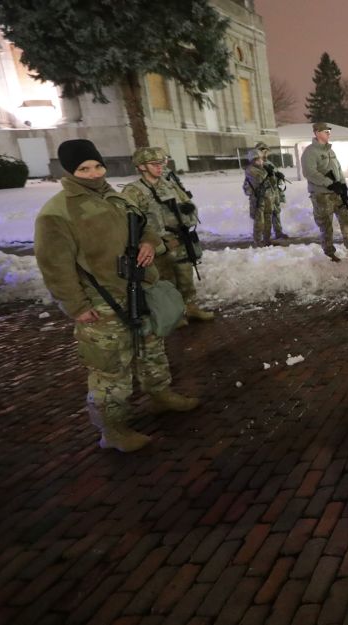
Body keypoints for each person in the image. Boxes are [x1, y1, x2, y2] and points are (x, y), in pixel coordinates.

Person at [34, 139, 199, 452]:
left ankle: (160, 394)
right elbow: (54, 266)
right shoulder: (58, 212)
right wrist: (76, 306)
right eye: (84, 168)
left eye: (97, 165)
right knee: (110, 368)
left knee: (152, 347)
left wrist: (150, 244)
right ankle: (112, 429)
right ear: (70, 170)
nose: (94, 173)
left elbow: (145, 228)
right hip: (101, 303)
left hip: (138, 290)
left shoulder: (116, 198)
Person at [121, 147, 214, 325]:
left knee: (186, 279)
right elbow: (129, 222)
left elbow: (188, 206)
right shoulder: (133, 191)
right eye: (154, 164)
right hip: (157, 245)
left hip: (179, 241)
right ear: (141, 167)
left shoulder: (169, 185)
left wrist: (188, 212)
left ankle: (191, 308)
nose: (159, 167)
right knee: (165, 281)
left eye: (162, 163)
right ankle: (175, 315)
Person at [302, 122, 348, 260]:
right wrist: (329, 184)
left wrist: (342, 185)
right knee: (326, 225)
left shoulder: (330, 150)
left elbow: (338, 169)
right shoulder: (310, 152)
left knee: (347, 220)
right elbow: (310, 173)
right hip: (321, 195)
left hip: (337, 193)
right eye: (325, 131)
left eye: (329, 131)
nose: (328, 133)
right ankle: (329, 252)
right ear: (316, 133)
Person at [243, 149, 279, 247]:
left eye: (261, 159)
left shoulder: (263, 168)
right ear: (253, 160)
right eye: (258, 159)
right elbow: (259, 179)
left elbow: (272, 183)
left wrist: (274, 175)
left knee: (268, 219)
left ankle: (267, 240)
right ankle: (258, 241)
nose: (261, 161)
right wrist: (267, 171)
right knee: (259, 221)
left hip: (267, 198)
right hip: (257, 199)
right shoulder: (250, 170)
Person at [255, 141, 289, 239]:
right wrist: (269, 174)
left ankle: (278, 232)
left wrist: (279, 176)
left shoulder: (269, 162)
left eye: (266, 151)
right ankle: (266, 235)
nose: (265, 153)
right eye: (262, 151)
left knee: (276, 212)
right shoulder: (257, 163)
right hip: (265, 194)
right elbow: (258, 179)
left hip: (274, 192)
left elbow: (274, 175)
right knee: (267, 215)